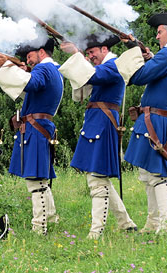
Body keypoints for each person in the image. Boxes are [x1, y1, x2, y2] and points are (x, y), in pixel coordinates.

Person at [59, 34, 143, 239]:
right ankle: (125, 223)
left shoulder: (114, 65)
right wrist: (80, 56)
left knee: (97, 180)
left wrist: (76, 54)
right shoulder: (108, 65)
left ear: (104, 50)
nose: (90, 57)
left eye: (92, 52)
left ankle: (95, 232)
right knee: (100, 178)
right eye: (88, 53)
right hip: (98, 123)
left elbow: (92, 76)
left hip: (103, 124)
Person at [124, 13, 167, 234]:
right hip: (158, 118)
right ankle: (153, 224)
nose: (157, 35)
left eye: (160, 31)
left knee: (158, 175)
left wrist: (134, 51)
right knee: (148, 174)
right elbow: (156, 70)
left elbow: (138, 77)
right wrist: (149, 56)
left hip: (158, 119)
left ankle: (165, 225)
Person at [0, 38, 62, 235]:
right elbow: (29, 87)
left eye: (30, 56)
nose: (29, 60)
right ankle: (50, 217)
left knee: (35, 181)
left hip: (35, 128)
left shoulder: (43, 69)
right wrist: (17, 68)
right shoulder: (52, 70)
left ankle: (39, 227)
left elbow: (32, 81)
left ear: (41, 52)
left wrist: (6, 66)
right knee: (41, 180)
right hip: (38, 126)